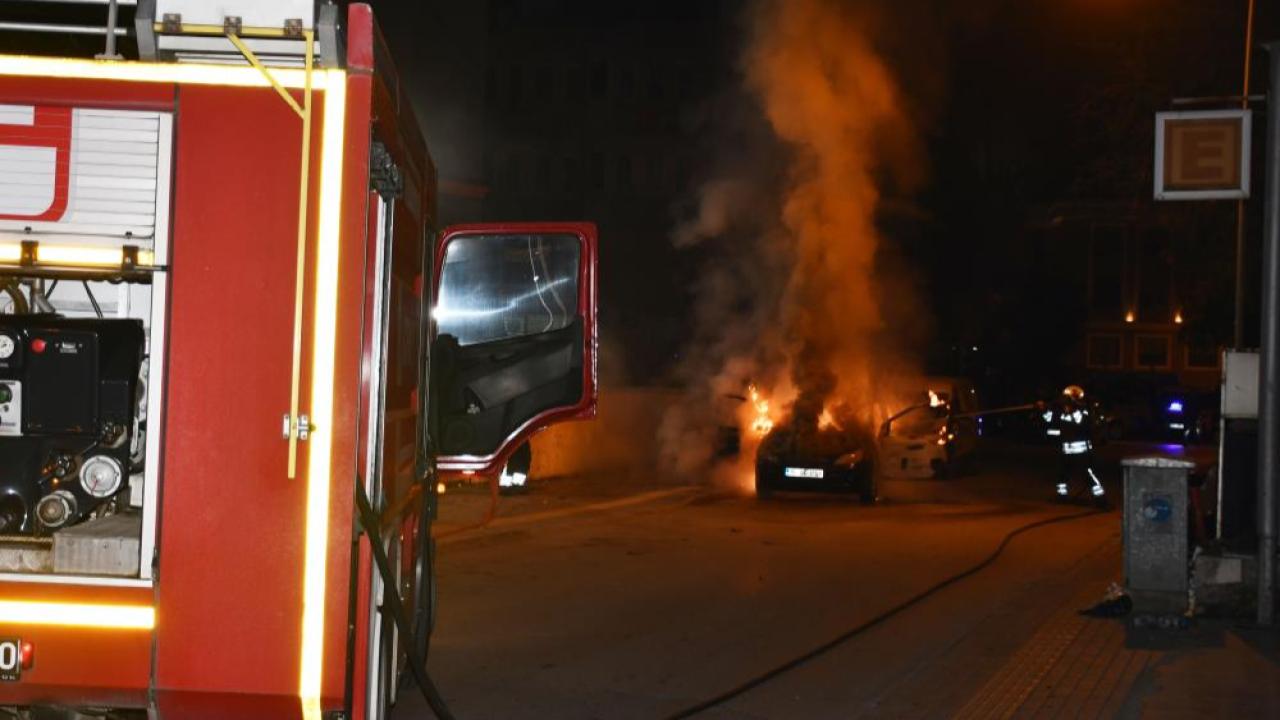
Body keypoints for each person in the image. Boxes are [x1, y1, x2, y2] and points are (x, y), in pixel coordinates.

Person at [1043, 385, 1104, 500]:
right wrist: (1044, 409)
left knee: (1088, 475)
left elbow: (1078, 424)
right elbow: (1049, 421)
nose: (1065, 403)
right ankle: (1061, 495)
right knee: (1062, 474)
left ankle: (1100, 498)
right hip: (1066, 451)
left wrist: (1069, 410)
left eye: (1068, 400)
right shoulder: (1061, 413)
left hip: (1081, 453)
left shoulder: (1082, 413)